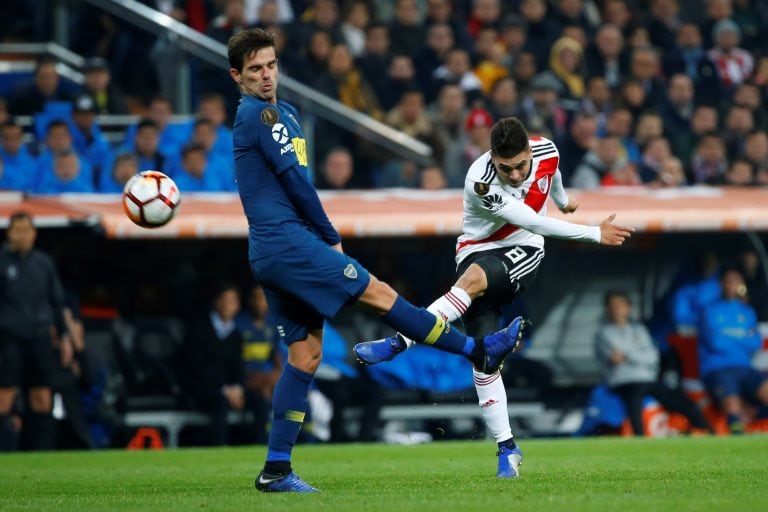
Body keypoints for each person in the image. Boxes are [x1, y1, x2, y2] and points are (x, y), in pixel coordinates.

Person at [227, 28, 524, 493]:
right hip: (289, 242)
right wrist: (330, 237)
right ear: (237, 76)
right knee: (380, 294)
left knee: (305, 356)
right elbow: (297, 185)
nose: (265, 76)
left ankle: (276, 470)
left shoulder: (280, 112)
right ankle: (479, 350)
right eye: (254, 70)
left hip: (270, 250)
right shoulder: (261, 115)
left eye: (270, 65)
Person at [354, 116, 633, 478]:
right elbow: (535, 220)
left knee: (470, 283)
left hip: (525, 251)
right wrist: (594, 233)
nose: (515, 175)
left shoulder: (547, 150)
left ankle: (400, 341)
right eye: (506, 168)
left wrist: (564, 202)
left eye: (520, 166)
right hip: (476, 249)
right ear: (493, 159)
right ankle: (507, 449)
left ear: (529, 152)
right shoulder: (481, 180)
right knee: (485, 362)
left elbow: (552, 181)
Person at [594, 291, 714, 436]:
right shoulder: (603, 333)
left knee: (677, 398)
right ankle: (639, 436)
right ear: (607, 309)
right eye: (613, 306)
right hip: (623, 381)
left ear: (628, 308)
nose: (617, 309)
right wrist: (637, 354)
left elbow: (652, 357)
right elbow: (615, 358)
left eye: (621, 305)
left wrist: (627, 355)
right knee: (635, 398)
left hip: (647, 379)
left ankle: (707, 428)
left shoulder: (639, 330)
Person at [0, 211, 72, 451]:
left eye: (26, 230)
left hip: (39, 337)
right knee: (5, 395)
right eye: (17, 230)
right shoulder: (1, 262)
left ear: (34, 234)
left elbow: (57, 302)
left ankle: (40, 453)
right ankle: (6, 450)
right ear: (9, 233)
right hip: (8, 338)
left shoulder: (44, 263)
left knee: (42, 396)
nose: (22, 235)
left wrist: (64, 337)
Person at [697, 268, 768, 434]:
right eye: (729, 280)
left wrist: (731, 339)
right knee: (732, 405)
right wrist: (743, 339)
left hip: (744, 366)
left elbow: (756, 343)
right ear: (722, 284)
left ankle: (752, 416)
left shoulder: (747, 311)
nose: (733, 284)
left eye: (737, 280)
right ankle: (737, 437)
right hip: (718, 367)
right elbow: (716, 343)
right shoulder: (710, 311)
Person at [182, 284, 246, 446]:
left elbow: (238, 365)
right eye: (225, 300)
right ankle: (219, 446)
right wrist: (224, 389)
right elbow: (199, 367)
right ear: (217, 302)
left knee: (257, 400)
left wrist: (237, 387)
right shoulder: (200, 329)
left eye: (232, 301)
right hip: (202, 388)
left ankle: (264, 449)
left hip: (230, 389)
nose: (228, 305)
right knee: (221, 402)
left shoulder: (236, 334)